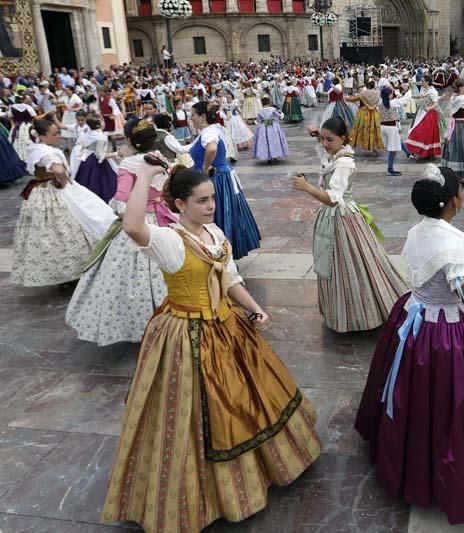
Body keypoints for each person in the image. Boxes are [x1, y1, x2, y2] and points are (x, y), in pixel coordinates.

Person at [101, 162, 321, 532]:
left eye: (212, 198)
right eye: (201, 201)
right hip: (185, 334)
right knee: (192, 414)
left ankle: (257, 471)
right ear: (179, 205)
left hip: (227, 326)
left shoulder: (215, 233)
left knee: (246, 400)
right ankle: (198, 493)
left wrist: (254, 307)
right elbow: (133, 226)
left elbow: (230, 277)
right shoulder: (170, 241)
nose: (210, 206)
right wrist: (142, 178)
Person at [354, 164, 464, 525]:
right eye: (460, 190)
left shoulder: (421, 230)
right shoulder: (451, 244)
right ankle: (456, 475)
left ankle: (408, 456)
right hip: (445, 334)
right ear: (453, 200)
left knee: (414, 395)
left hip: (415, 316)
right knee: (455, 402)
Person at [66, 118, 178, 346]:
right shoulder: (161, 159)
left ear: (129, 140)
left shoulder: (128, 165)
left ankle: (140, 322)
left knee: (131, 273)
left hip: (139, 220)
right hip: (165, 217)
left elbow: (122, 199)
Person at [291, 117, 407, 332]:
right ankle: (341, 311)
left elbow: (333, 198)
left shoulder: (344, 163)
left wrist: (307, 187)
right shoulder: (336, 154)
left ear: (343, 139)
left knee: (347, 263)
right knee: (337, 264)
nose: (325, 144)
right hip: (333, 217)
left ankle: (361, 314)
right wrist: (318, 136)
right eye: (322, 139)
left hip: (342, 218)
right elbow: (325, 154)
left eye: (330, 140)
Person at [12, 117, 116, 287]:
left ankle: (65, 274)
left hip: (41, 192)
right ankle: (75, 270)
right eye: (54, 134)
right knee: (69, 228)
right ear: (41, 137)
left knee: (55, 234)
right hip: (55, 193)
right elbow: (58, 169)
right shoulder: (46, 153)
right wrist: (62, 180)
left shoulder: (35, 149)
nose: (58, 136)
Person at [189, 101, 261, 259]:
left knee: (217, 214)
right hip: (223, 175)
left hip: (216, 178)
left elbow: (212, 148)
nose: (191, 118)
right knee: (225, 212)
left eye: (193, 115)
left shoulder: (208, 132)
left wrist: (205, 167)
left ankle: (220, 252)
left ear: (202, 116)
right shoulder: (214, 129)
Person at [73, 114, 120, 203]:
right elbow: (99, 155)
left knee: (86, 182)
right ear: (100, 124)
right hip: (97, 163)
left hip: (87, 160)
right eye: (102, 120)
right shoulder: (100, 137)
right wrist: (116, 153)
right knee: (102, 183)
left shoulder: (88, 132)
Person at [407, 75, 446, 159]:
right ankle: (422, 150)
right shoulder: (424, 89)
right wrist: (411, 96)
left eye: (423, 81)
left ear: (427, 82)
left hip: (430, 114)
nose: (421, 82)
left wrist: (429, 108)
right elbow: (421, 96)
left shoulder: (432, 91)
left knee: (426, 132)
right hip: (422, 111)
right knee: (419, 130)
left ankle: (427, 151)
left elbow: (435, 103)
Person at [377, 85, 410, 176]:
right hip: (391, 127)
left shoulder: (380, 103)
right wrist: (409, 91)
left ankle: (408, 152)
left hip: (383, 127)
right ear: (388, 95)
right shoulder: (393, 103)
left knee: (396, 141)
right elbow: (404, 100)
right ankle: (390, 169)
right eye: (391, 93)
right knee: (392, 150)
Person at [348, 79, 384, 156]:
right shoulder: (377, 93)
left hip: (364, 113)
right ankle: (374, 148)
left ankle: (355, 145)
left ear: (367, 85)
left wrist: (347, 98)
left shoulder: (363, 93)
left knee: (359, 130)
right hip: (374, 113)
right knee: (374, 131)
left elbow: (353, 99)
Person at [252, 95, 289, 164]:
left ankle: (268, 156)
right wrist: (281, 114)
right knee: (274, 141)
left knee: (265, 142)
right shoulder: (272, 109)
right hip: (273, 126)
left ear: (262, 103)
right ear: (269, 102)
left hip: (263, 127)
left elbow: (257, 121)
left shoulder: (260, 111)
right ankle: (274, 156)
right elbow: (280, 116)